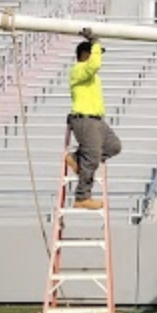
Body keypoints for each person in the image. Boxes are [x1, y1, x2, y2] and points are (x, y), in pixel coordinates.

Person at [67, 28, 122, 209]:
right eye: (93, 53)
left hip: (96, 120)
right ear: (85, 55)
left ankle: (77, 159)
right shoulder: (78, 70)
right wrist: (95, 42)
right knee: (92, 157)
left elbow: (94, 66)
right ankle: (82, 197)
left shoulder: (90, 75)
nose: (97, 58)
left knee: (114, 146)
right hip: (85, 119)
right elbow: (94, 65)